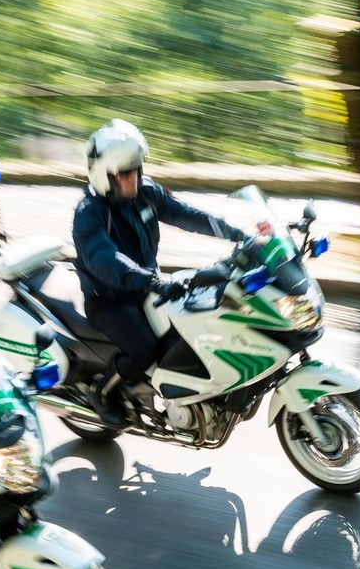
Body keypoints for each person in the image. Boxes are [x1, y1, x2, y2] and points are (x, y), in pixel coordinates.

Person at [72, 119, 246, 426]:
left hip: (147, 287)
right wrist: (152, 280)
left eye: (137, 169)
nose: (134, 178)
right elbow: (106, 260)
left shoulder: (146, 192)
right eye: (126, 173)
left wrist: (236, 232)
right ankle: (101, 393)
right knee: (145, 349)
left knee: (195, 323)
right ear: (106, 175)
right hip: (109, 300)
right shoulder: (89, 213)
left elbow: (187, 215)